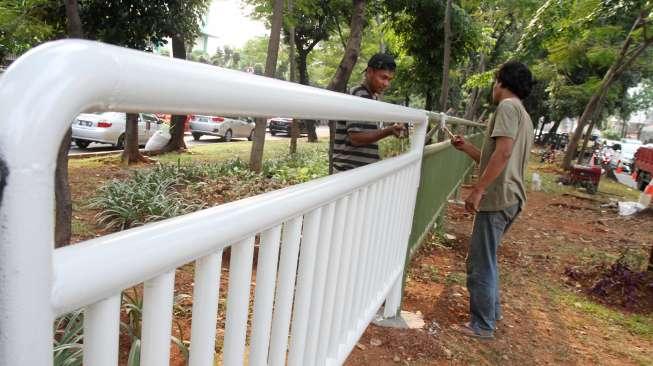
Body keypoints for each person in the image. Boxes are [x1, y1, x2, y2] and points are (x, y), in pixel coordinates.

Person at [451, 61, 534, 339]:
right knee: (487, 258)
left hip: (498, 198)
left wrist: (478, 189)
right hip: (511, 197)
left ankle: (482, 324)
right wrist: (467, 148)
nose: (493, 87)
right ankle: (492, 313)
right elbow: (494, 158)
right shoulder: (523, 113)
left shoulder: (508, 108)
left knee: (480, 262)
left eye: (495, 81)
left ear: (500, 82)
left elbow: (504, 154)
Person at [332, 53, 406, 173]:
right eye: (383, 77)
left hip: (359, 172)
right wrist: (388, 131)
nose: (386, 84)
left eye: (389, 80)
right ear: (370, 72)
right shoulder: (359, 95)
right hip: (348, 173)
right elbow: (355, 138)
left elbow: (367, 133)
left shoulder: (371, 98)